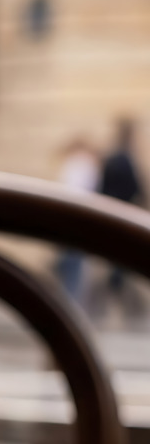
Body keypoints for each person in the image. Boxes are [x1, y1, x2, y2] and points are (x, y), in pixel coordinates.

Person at [97, 119, 145, 321]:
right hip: (123, 216)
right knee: (120, 263)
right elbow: (135, 189)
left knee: (117, 262)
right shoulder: (126, 159)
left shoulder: (111, 158)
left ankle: (122, 303)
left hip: (110, 214)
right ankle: (125, 304)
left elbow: (101, 188)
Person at [56, 137, 100, 307]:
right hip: (79, 218)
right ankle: (71, 302)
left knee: (71, 261)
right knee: (75, 262)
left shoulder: (74, 164)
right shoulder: (85, 165)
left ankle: (67, 301)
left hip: (70, 217)